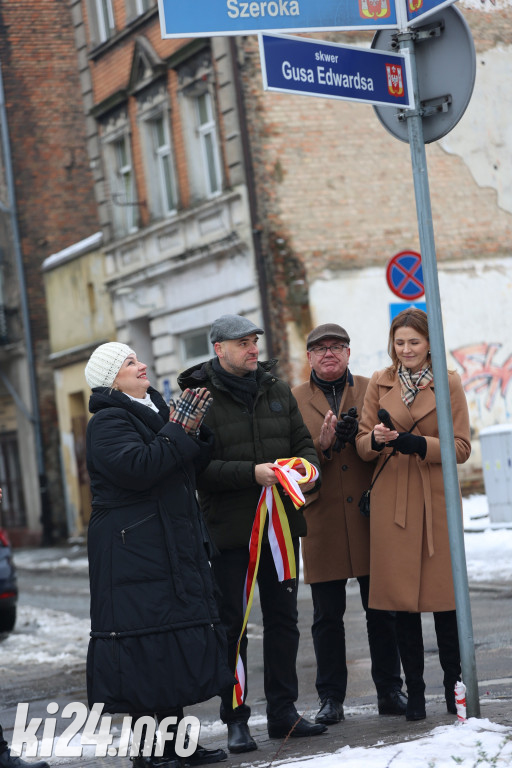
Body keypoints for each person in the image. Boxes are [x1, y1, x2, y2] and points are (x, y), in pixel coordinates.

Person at [178, 314, 326, 754]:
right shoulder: (197, 398)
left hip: (281, 527)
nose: (252, 348)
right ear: (219, 349)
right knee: (233, 627)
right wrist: (252, 474)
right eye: (242, 342)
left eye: (254, 340)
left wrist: (303, 468)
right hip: (230, 533)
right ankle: (236, 719)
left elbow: (303, 444)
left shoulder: (277, 389)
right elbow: (195, 467)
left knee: (284, 621)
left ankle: (284, 711)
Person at [84, 342, 234, 768]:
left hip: (167, 542)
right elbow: (140, 468)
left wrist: (196, 429)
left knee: (171, 641)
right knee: (143, 648)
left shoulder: (151, 408)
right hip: (131, 549)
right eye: (130, 362)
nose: (141, 365)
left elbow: (188, 463)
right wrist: (179, 430)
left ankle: (177, 745)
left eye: (137, 358)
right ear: (112, 379)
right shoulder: (108, 422)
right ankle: (149, 753)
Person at [356, 308, 471, 722]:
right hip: (393, 502)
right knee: (402, 604)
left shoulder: (449, 382)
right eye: (399, 342)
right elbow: (361, 446)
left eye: (414, 342)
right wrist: (377, 437)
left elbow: (460, 447)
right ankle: (416, 695)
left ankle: (453, 688)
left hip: (435, 498)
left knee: (445, 603)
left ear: (429, 344)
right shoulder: (378, 382)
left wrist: (417, 444)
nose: (406, 350)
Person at [292, 323, 406, 725]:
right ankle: (331, 699)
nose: (329, 353)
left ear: (348, 352)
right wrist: (322, 448)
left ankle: (391, 690)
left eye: (337, 347)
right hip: (321, 519)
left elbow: (387, 444)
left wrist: (369, 437)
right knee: (326, 617)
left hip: (368, 516)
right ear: (308, 357)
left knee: (382, 611)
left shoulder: (370, 387)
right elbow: (290, 465)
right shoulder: (293, 400)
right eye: (320, 348)